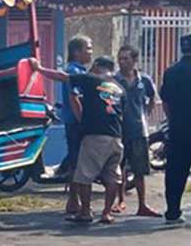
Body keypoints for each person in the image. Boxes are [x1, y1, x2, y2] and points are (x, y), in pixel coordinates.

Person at [31, 56, 125, 224]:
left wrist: (39, 69)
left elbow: (62, 77)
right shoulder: (119, 88)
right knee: (112, 177)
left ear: (97, 66)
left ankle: (85, 212)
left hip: (95, 136)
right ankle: (106, 213)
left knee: (84, 176)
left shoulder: (91, 79)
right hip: (116, 137)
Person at [113, 45, 160, 217]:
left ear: (134, 60)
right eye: (120, 58)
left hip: (139, 130)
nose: (122, 62)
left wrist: (146, 113)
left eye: (126, 58)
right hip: (118, 130)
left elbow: (152, 97)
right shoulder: (114, 80)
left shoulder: (144, 80)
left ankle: (142, 205)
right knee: (118, 168)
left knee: (140, 170)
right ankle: (120, 200)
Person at [53, 35, 92, 212]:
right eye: (88, 48)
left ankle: (74, 200)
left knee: (76, 160)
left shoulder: (79, 70)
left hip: (74, 122)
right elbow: (74, 99)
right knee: (77, 161)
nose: (90, 52)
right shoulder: (74, 72)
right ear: (77, 52)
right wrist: (83, 121)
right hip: (76, 123)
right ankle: (73, 201)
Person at [159, 33, 191, 224]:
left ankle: (172, 212)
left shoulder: (171, 71)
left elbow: (165, 102)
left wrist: (173, 121)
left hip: (179, 129)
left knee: (175, 173)